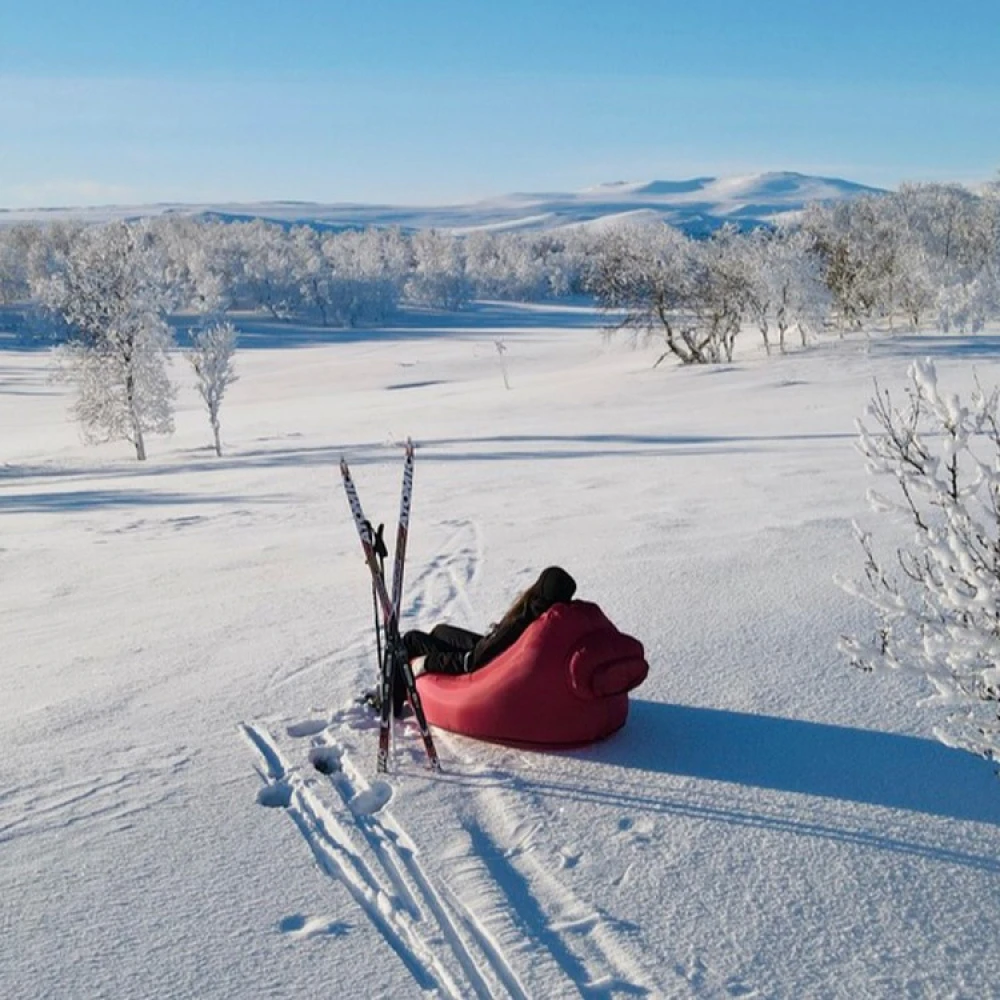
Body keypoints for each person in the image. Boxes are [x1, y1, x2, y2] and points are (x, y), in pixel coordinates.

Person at [388, 566, 577, 715]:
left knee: (411, 639)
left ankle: (389, 703)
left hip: (484, 663)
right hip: (495, 651)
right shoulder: (549, 617)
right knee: (440, 631)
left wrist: (427, 662)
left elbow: (472, 662)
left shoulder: (520, 622)